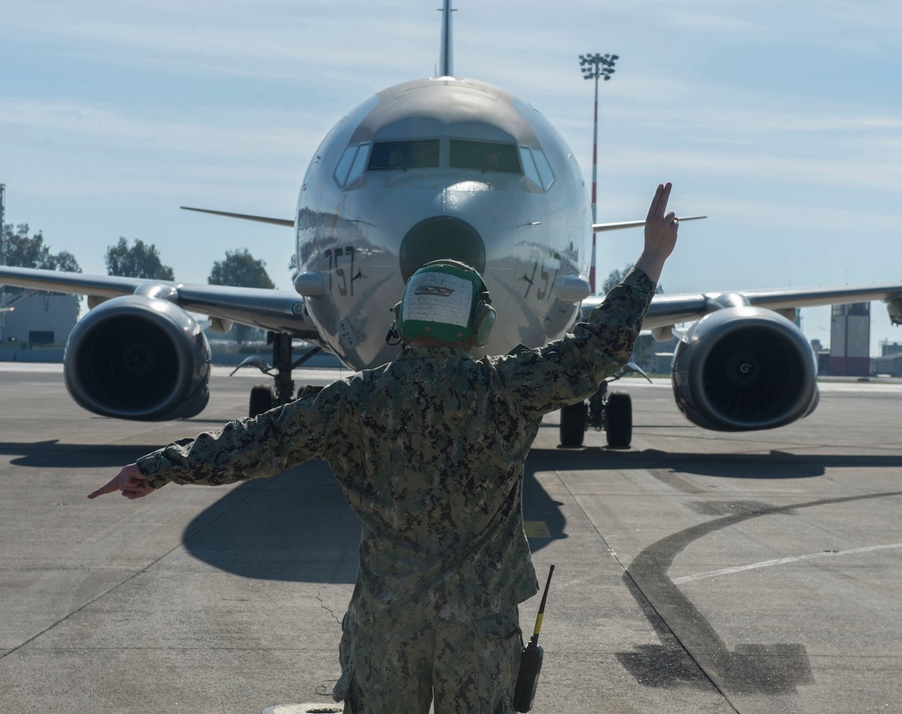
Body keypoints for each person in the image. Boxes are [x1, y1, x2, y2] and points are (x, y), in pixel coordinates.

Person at [89, 182, 681, 713]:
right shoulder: (506, 392)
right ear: (477, 325)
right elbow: (595, 348)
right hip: (477, 626)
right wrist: (651, 258)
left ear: (402, 321)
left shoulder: (353, 402)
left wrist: (156, 467)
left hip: (386, 622)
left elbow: (253, 443)